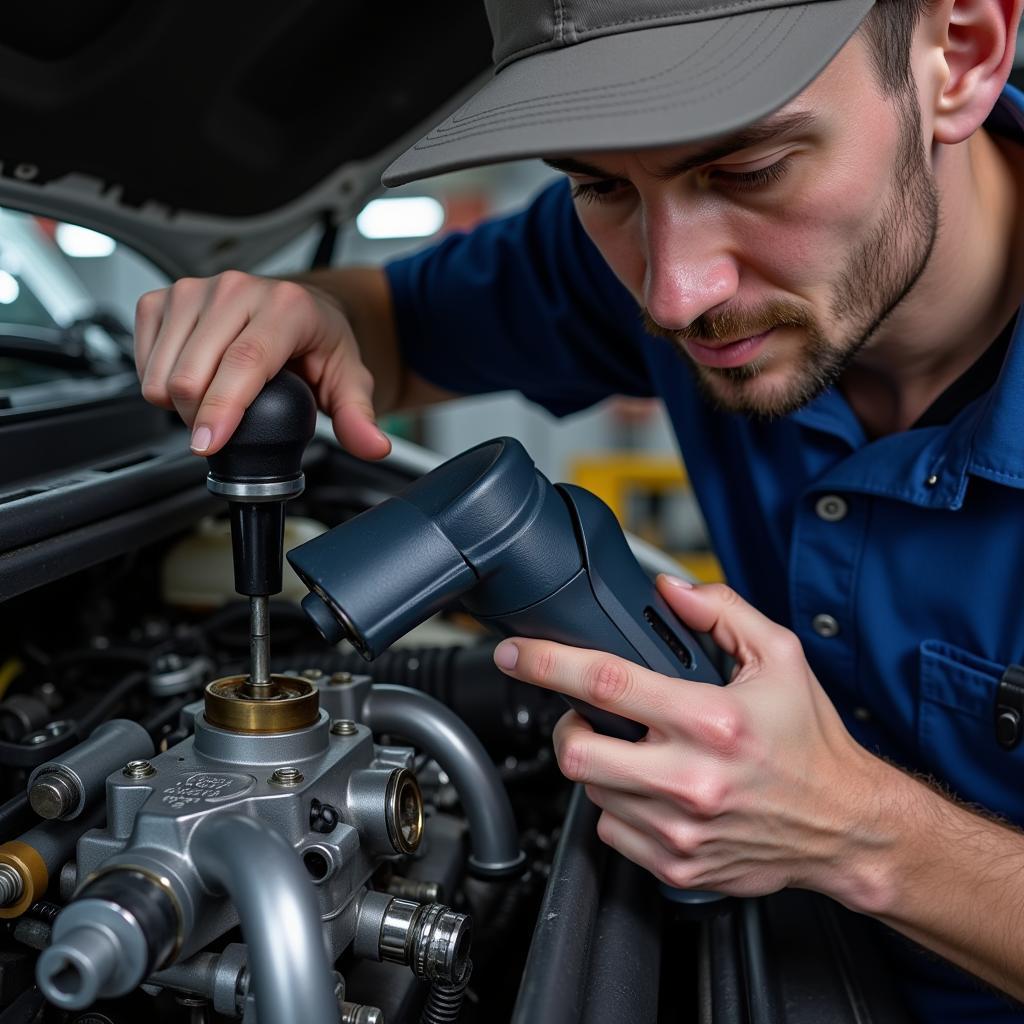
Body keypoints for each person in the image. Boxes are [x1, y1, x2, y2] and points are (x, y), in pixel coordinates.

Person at [134, 1, 1024, 1019]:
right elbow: (381, 325)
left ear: (960, 55)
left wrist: (860, 829)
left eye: (750, 170)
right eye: (599, 185)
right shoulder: (662, 241)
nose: (674, 293)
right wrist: (297, 312)